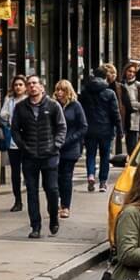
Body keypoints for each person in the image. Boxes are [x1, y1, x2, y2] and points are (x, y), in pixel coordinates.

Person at [12, 75, 65, 238]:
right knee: (32, 192)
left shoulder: (53, 106)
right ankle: (35, 226)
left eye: (35, 83)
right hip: (29, 157)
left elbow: (61, 128)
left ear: (42, 87)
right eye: (29, 84)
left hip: (49, 156)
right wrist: (23, 146)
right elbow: (14, 130)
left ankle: (54, 217)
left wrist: (55, 145)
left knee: (52, 189)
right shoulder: (21, 107)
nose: (32, 86)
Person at [79, 68, 121, 195]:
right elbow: (115, 112)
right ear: (105, 78)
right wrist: (119, 128)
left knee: (90, 155)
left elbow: (81, 111)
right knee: (105, 156)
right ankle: (102, 182)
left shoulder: (85, 92)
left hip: (90, 129)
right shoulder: (109, 93)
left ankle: (91, 175)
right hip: (106, 129)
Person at [53, 79, 89, 222]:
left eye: (62, 90)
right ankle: (55, 204)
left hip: (70, 148)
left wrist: (70, 139)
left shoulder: (75, 106)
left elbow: (83, 126)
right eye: (58, 89)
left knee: (66, 177)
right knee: (54, 178)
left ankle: (65, 206)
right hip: (55, 148)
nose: (60, 93)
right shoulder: (54, 106)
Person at [0, 76, 26, 211]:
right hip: (14, 140)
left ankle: (31, 196)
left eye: (21, 84)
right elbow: (2, 116)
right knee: (15, 172)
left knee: (28, 170)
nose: (18, 87)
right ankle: (18, 200)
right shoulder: (9, 101)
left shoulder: (28, 100)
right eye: (16, 85)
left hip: (28, 140)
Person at [116, 64, 140, 152]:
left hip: (134, 116)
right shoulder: (120, 84)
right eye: (129, 71)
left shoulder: (139, 85)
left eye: (133, 72)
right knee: (120, 139)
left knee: (132, 141)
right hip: (122, 115)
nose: (131, 74)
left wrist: (134, 106)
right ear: (125, 71)